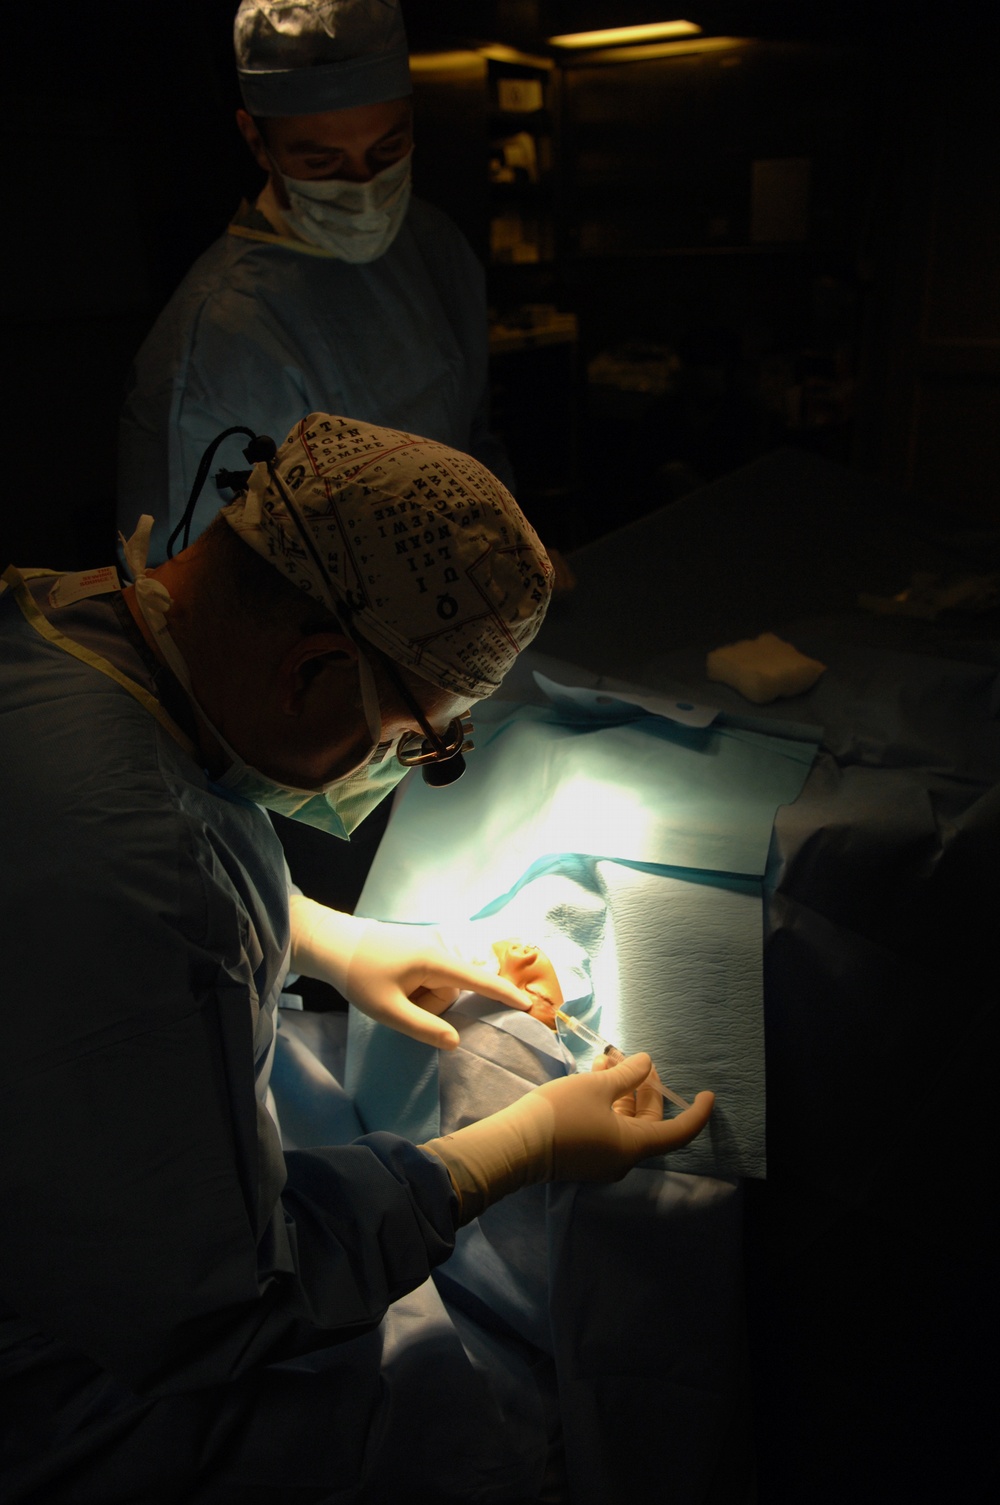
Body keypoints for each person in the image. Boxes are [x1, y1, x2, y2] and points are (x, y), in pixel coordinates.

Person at [1, 411, 713, 1503]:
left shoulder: (60, 618)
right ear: (314, 670)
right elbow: (214, 1307)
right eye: (414, 742)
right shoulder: (149, 871)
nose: (398, 764)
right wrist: (511, 1146)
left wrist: (335, 937)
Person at [118, 0, 514, 565]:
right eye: (323, 163)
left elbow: (471, 437)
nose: (365, 188)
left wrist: (507, 545)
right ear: (257, 142)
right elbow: (185, 599)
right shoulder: (216, 345)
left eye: (387, 149)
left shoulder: (432, 244)